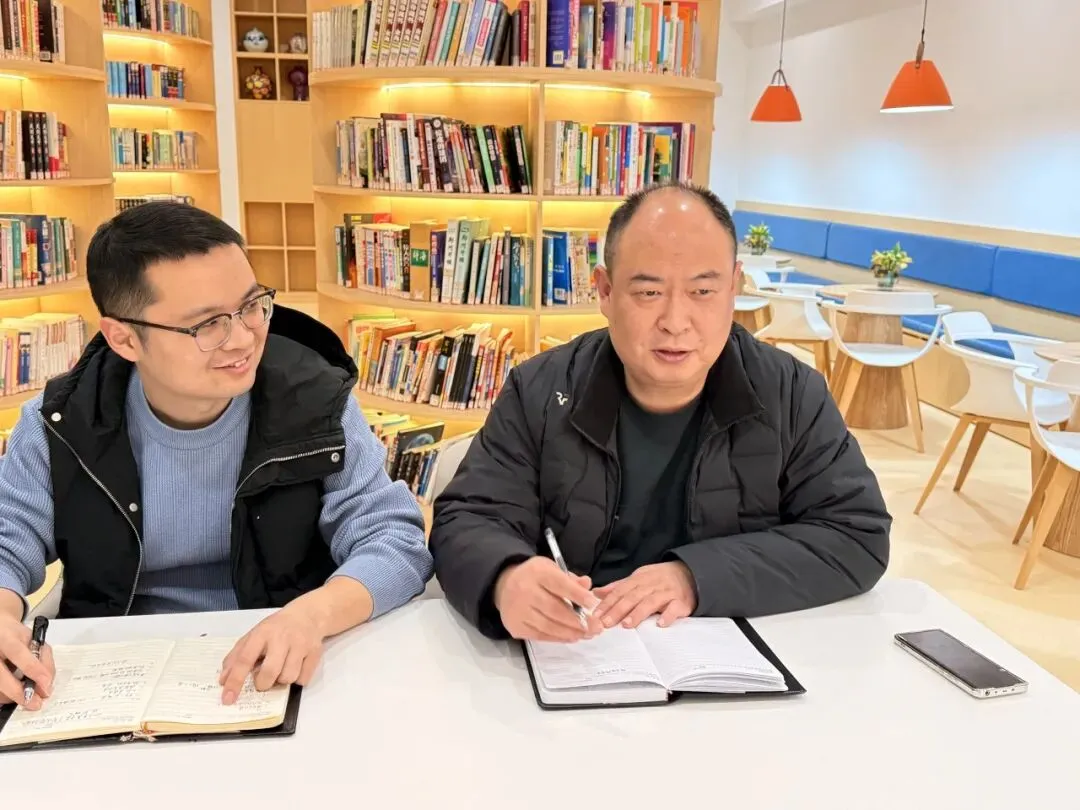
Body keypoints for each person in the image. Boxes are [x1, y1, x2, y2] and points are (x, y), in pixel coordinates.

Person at [0, 202, 433, 709]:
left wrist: (312, 615)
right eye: (207, 324)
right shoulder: (60, 422)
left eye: (252, 306)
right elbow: (8, 543)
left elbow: (394, 539)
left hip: (280, 663)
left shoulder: (315, 400)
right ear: (124, 338)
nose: (244, 338)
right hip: (112, 672)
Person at [429, 182, 891, 642]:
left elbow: (856, 534)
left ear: (734, 287)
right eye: (649, 293)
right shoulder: (540, 391)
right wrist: (505, 578)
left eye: (703, 291)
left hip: (726, 653)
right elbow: (468, 517)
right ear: (605, 291)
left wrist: (696, 577)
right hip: (578, 649)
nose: (674, 322)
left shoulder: (792, 394)